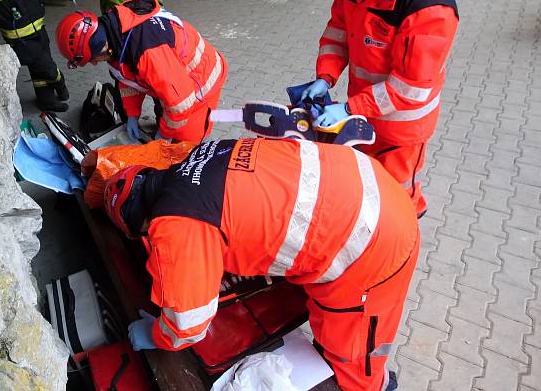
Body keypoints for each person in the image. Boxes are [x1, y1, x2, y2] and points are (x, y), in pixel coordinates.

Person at [103, 137, 419, 391]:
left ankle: (376, 386)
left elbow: (188, 324)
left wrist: (157, 334)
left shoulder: (175, 223)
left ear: (142, 225)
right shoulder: (206, 154)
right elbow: (249, 211)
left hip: (373, 243)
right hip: (367, 185)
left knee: (352, 360)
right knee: (335, 332)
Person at [301, 0, 458, 217]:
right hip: (366, 114)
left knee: (399, 199)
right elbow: (338, 31)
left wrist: (348, 108)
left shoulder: (429, 7)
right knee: (369, 186)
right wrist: (324, 77)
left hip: (402, 130)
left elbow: (408, 89)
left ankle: (402, 251)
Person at [56, 0, 226, 143]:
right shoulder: (114, 36)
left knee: (187, 143)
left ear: (101, 46)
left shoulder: (148, 51)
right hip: (174, 82)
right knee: (169, 118)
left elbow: (181, 103)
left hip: (201, 83)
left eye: (92, 59)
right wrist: (132, 114)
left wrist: (164, 134)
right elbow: (128, 78)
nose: (94, 63)